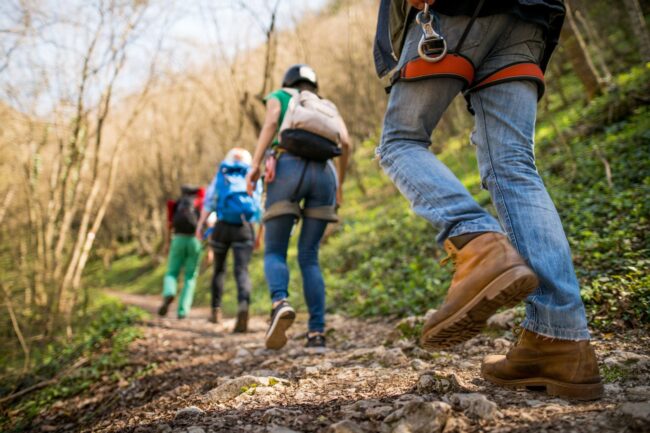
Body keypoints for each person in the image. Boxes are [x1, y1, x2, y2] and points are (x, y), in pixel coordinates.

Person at [373, 0, 603, 400]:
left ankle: (477, 242)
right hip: (531, 17)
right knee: (513, 166)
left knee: (400, 141)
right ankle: (561, 339)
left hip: (455, 12)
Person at [246, 64, 351, 350]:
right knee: (309, 255)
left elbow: (270, 124)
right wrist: (339, 185)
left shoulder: (280, 95)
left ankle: (280, 302)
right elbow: (346, 142)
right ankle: (317, 333)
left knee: (276, 250)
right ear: (314, 85)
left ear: (288, 81)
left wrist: (255, 165)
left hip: (287, 168)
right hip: (325, 175)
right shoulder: (325, 105)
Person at [196, 148, 262, 333]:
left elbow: (210, 201)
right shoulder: (252, 173)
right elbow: (257, 206)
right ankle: (243, 306)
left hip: (222, 226)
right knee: (241, 270)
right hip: (244, 226)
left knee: (219, 269)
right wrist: (258, 234)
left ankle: (216, 311)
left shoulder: (222, 174)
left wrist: (201, 224)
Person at [158, 185, 205, 319]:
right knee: (190, 277)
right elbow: (208, 223)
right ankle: (182, 311)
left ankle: (169, 292)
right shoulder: (200, 204)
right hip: (194, 241)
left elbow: (169, 225)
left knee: (172, 272)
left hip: (178, 239)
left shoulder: (176, 205)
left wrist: (167, 243)